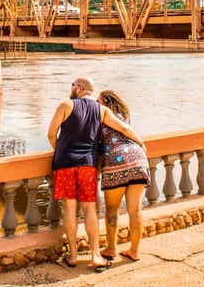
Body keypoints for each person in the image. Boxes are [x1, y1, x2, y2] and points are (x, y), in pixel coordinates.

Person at [47, 76, 146, 271]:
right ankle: (95, 255)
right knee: (90, 209)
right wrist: (141, 143)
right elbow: (124, 128)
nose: (71, 88)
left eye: (72, 85)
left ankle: (73, 256)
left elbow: (51, 134)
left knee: (69, 208)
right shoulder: (102, 110)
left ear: (79, 88)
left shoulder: (65, 105)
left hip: (64, 164)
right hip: (89, 165)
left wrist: (60, 150)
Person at [97, 89, 150, 263]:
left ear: (106, 103)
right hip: (138, 159)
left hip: (115, 163)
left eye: (99, 101)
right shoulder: (125, 115)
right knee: (135, 210)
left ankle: (111, 248)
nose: (96, 104)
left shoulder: (102, 116)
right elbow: (126, 131)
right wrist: (141, 144)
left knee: (112, 209)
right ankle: (134, 251)